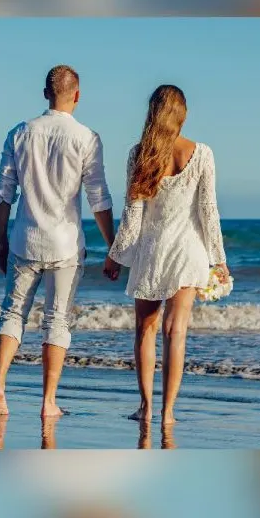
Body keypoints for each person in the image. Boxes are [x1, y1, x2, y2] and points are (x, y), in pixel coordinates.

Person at [0, 65, 115, 418]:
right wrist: (113, 247)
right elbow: (98, 198)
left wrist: (0, 239)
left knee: (12, 313)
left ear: (46, 93)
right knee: (57, 321)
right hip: (65, 244)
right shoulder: (87, 138)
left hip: (23, 239)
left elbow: (3, 193)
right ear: (77, 95)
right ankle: (48, 403)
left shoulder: (20, 133)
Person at [104, 84, 229, 427]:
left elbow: (132, 216)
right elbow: (208, 211)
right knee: (176, 333)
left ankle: (145, 406)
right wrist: (218, 257)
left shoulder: (139, 154)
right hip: (189, 252)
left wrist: (116, 256)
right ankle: (168, 412)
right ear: (182, 114)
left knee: (145, 329)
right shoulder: (201, 153)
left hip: (152, 252)